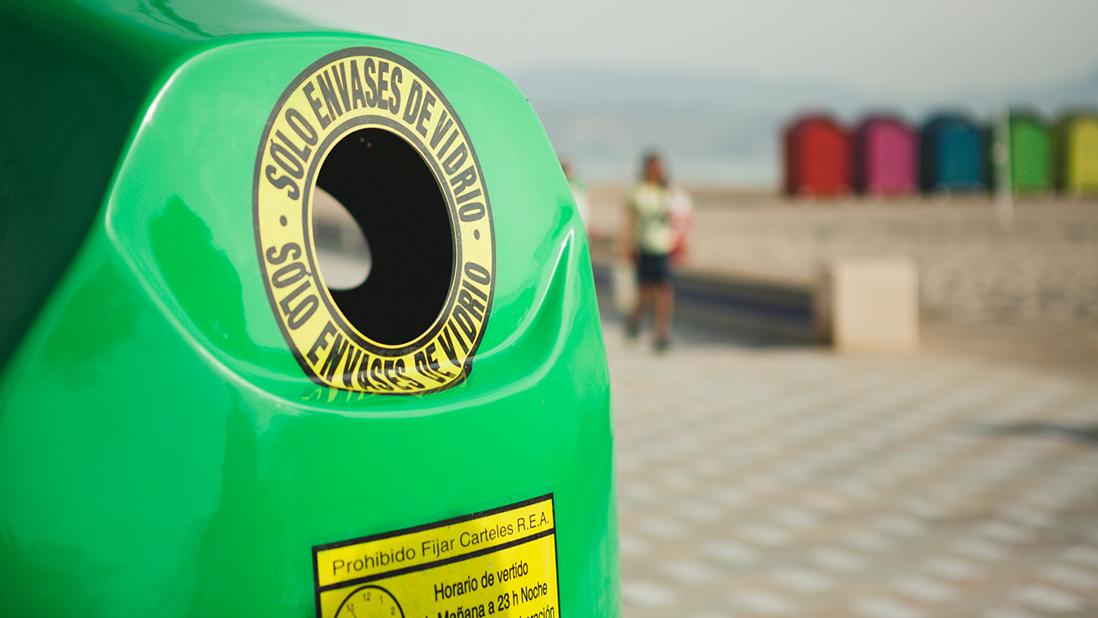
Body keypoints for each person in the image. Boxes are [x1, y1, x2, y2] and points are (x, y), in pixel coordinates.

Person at [622, 151, 689, 351]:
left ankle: (661, 332)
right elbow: (630, 221)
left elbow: (680, 219)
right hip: (644, 246)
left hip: (664, 246)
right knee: (644, 292)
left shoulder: (668, 191)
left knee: (664, 291)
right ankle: (634, 321)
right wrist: (628, 245)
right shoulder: (638, 191)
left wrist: (682, 244)